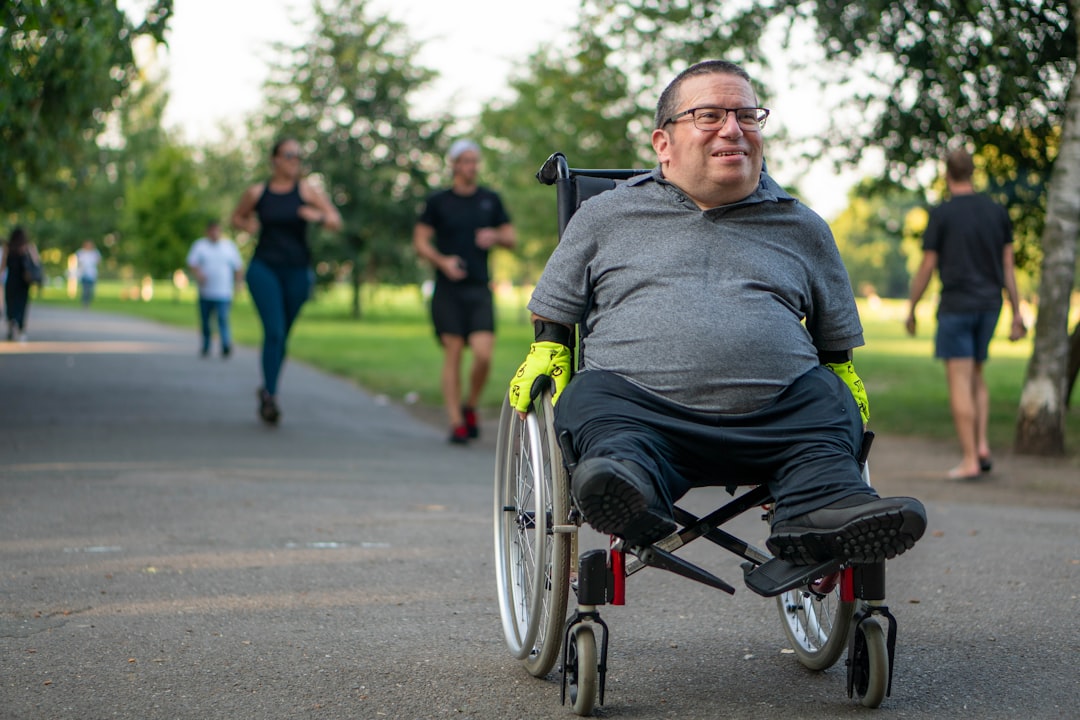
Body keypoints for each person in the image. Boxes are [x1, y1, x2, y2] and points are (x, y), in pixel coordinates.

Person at [508, 60, 926, 566]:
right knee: (594, 403)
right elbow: (555, 310)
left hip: (781, 418)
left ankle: (822, 512)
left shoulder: (802, 224)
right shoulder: (605, 214)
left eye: (747, 116)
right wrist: (548, 348)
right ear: (664, 143)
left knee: (827, 404)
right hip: (641, 414)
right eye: (709, 115)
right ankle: (629, 497)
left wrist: (841, 380)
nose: (733, 128)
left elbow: (834, 341)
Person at [905, 148, 1026, 480]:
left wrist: (912, 307)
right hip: (990, 306)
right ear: (973, 173)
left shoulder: (942, 214)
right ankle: (982, 443)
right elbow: (1008, 267)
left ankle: (971, 459)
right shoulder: (996, 212)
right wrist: (1017, 312)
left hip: (957, 305)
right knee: (976, 374)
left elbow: (928, 265)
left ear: (947, 174)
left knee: (960, 379)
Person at [231, 137, 342, 424]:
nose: (295, 161)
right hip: (264, 268)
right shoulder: (258, 192)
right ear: (275, 160)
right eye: (289, 155)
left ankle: (268, 388)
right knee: (275, 331)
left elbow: (335, 221)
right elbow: (236, 218)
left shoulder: (307, 191)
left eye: (298, 156)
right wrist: (249, 224)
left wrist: (314, 215)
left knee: (283, 336)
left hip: (297, 271)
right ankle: (270, 395)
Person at [414, 140, 516, 444]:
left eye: (475, 161)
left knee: (484, 355)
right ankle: (457, 423)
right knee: (454, 352)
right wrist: (442, 261)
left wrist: (494, 235)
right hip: (447, 291)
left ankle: (470, 405)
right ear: (454, 165)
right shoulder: (438, 202)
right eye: (466, 161)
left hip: (479, 288)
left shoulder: (490, 200)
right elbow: (420, 241)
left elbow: (511, 237)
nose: (472, 166)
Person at [186, 220, 244, 358]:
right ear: (207, 232)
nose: (214, 233)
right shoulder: (200, 246)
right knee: (206, 321)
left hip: (224, 292)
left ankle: (225, 345)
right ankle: (206, 346)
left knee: (223, 318)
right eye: (212, 230)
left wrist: (239, 283)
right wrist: (199, 274)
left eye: (217, 230)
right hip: (205, 291)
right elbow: (192, 263)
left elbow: (238, 267)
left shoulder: (228, 246)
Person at [1, 227, 41, 342]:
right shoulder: (28, 247)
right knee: (22, 304)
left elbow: (3, 266)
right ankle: (21, 328)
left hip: (11, 280)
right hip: (24, 281)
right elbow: (36, 262)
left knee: (11, 303)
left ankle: (11, 325)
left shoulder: (7, 248)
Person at [75, 240, 102, 307]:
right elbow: (78, 262)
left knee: (90, 289)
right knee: (85, 288)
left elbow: (98, 261)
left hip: (92, 273)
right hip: (83, 273)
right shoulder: (81, 252)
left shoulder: (95, 253)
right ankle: (84, 302)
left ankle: (88, 301)